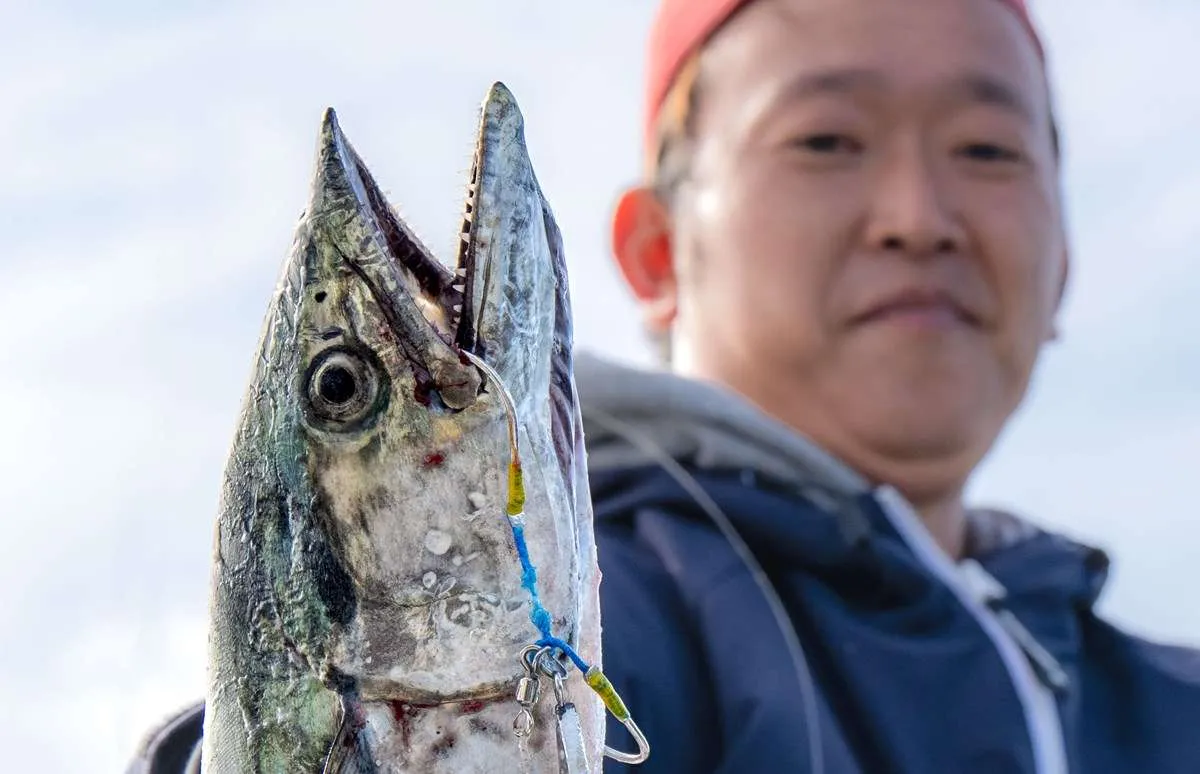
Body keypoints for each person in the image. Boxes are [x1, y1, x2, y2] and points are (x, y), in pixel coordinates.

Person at [129, 0, 1200, 772]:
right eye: (827, 139)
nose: (918, 214)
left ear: (1064, 261)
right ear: (654, 251)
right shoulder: (638, 623)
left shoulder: (1173, 708)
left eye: (988, 149)